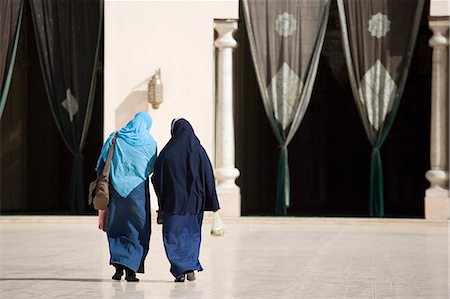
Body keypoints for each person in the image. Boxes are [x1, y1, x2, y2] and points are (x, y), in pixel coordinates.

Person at [151, 118, 220, 282]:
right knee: (192, 234)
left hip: (173, 203)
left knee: (173, 235)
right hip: (195, 204)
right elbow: (208, 177)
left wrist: (162, 200)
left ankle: (180, 269)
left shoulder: (167, 153)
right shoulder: (199, 151)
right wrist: (213, 202)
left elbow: (156, 178)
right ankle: (190, 266)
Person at [95, 112, 157, 282]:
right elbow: (151, 167)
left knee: (116, 226)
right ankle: (131, 270)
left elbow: (101, 162)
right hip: (137, 193)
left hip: (116, 190)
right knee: (138, 228)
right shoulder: (149, 142)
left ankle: (118, 266)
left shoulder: (116, 137)